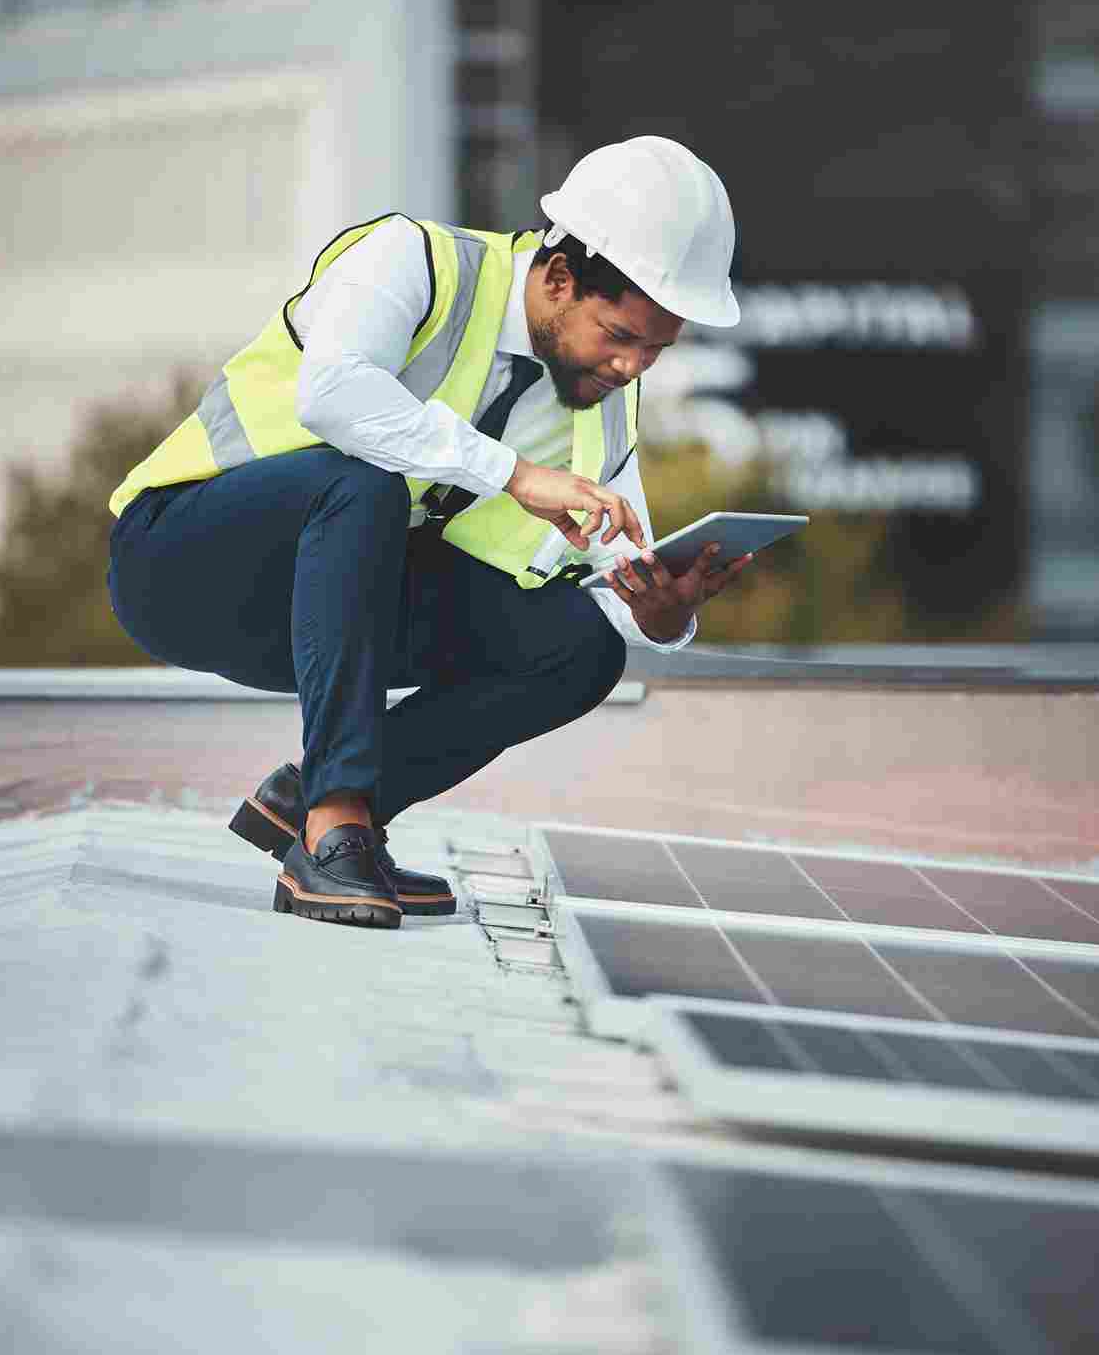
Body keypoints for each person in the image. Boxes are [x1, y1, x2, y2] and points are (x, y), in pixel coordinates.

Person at [107, 135, 753, 930]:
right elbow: (334, 395)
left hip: (332, 614)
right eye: (620, 337)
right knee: (360, 484)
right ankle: (334, 824)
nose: (633, 368)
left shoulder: (596, 395)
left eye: (658, 348)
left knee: (580, 648)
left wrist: (664, 613)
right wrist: (514, 474)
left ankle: (321, 807)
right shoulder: (410, 261)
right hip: (177, 566)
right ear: (558, 276)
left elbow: (620, 568)